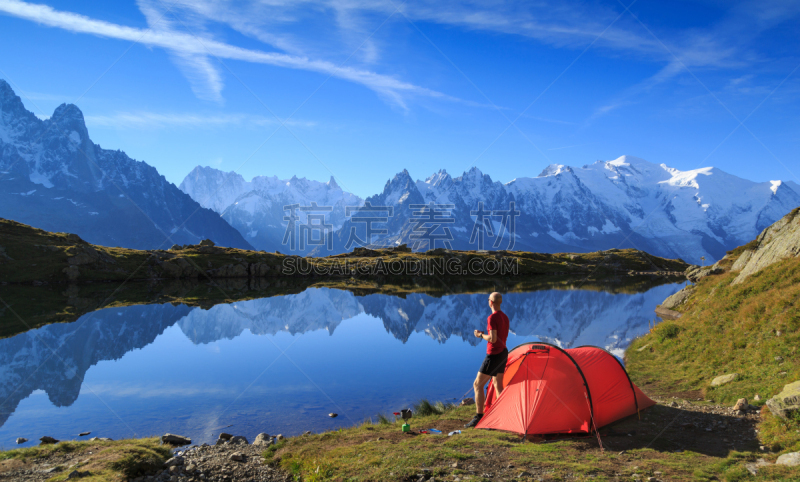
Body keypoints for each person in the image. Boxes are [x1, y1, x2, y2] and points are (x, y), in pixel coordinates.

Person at [465, 291, 509, 428]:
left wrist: (480, 335)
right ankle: (501, 415)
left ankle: (479, 417)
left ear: (491, 302)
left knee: (477, 385)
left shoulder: (492, 318)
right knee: (498, 385)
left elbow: (493, 338)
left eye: (488, 299)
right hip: (503, 353)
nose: (488, 301)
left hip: (493, 355)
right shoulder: (505, 317)